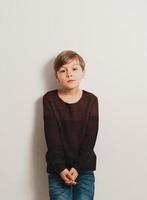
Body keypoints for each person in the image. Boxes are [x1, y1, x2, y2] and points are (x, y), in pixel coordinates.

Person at [42, 50, 99, 200]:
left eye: (74, 69)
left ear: (83, 72)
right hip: (57, 169)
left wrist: (77, 168)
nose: (69, 74)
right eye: (63, 70)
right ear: (56, 76)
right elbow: (52, 139)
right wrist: (61, 169)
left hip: (84, 169)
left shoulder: (91, 100)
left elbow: (90, 139)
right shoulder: (50, 100)